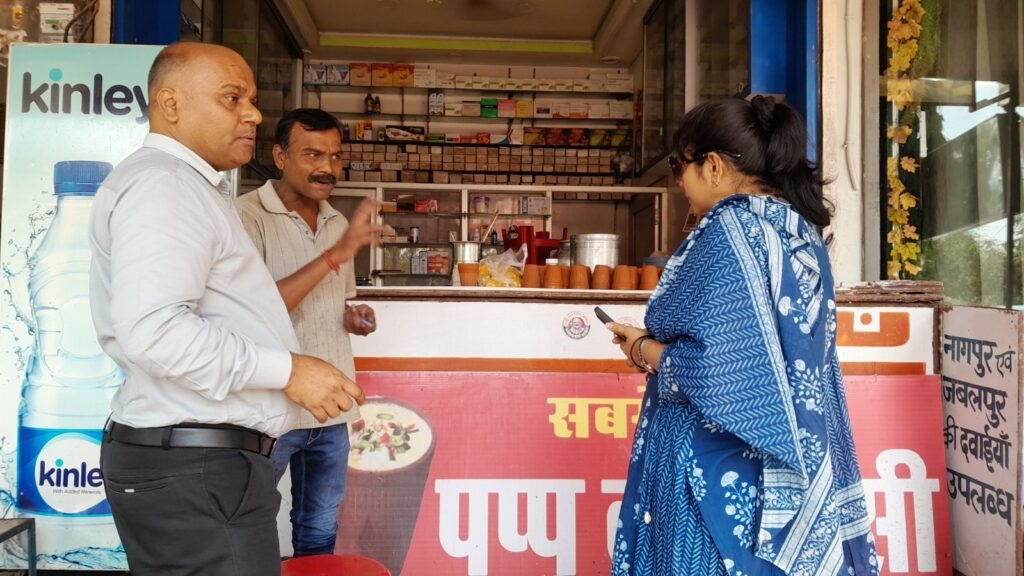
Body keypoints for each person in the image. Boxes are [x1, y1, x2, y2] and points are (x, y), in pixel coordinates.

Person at [89, 43, 367, 576]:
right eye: (231, 98)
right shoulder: (166, 186)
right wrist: (289, 370)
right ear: (170, 104)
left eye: (252, 99)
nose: (253, 114)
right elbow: (156, 332)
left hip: (202, 462)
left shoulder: (187, 187)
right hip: (195, 464)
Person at [605, 96, 879, 576]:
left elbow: (714, 368)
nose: (679, 181)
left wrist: (642, 347)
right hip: (792, 454)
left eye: (679, 166)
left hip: (711, 457)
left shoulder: (728, 230)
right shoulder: (797, 230)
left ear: (713, 166)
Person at [235, 108, 384, 557]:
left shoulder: (337, 222)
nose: (328, 168)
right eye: (313, 154)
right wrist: (336, 254)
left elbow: (335, 301)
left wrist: (352, 317)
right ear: (280, 157)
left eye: (336, 157)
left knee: (319, 528)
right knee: (250, 521)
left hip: (332, 410)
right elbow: (255, 310)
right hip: (271, 409)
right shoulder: (246, 216)